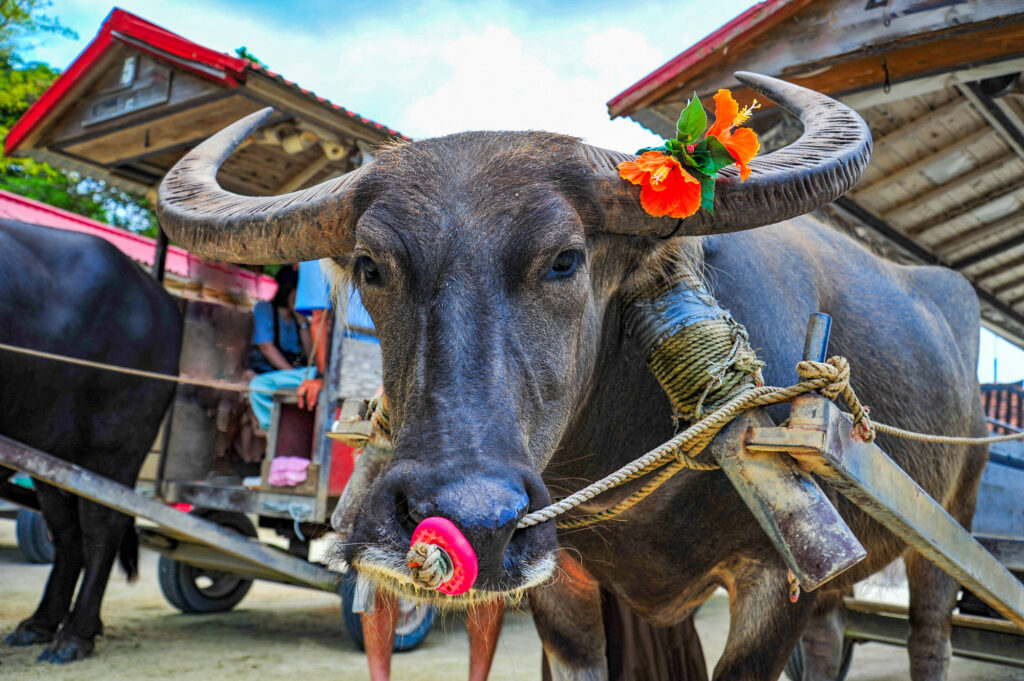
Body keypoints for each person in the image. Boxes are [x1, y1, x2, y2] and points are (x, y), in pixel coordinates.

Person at [247, 266, 314, 432]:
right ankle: (275, 428)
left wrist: (302, 322)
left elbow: (311, 355)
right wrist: (291, 373)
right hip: (271, 372)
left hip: (294, 372)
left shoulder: (299, 318)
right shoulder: (264, 309)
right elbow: (266, 348)